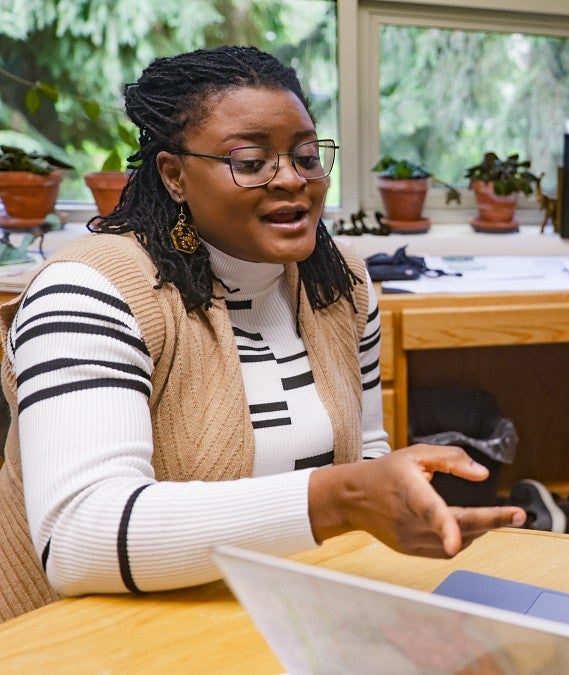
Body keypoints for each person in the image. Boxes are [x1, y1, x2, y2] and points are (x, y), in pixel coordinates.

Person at [0, 46, 524, 624]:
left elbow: (366, 453)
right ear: (174, 174)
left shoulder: (340, 283)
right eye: (250, 162)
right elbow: (81, 539)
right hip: (95, 640)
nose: (292, 181)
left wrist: (400, 507)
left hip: (276, 617)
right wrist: (340, 498)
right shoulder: (89, 288)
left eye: (305, 155)